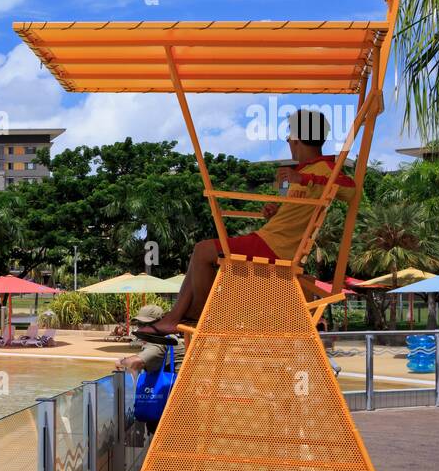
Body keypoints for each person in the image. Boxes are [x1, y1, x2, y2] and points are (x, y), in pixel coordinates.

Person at [150, 109, 358, 335]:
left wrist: (304, 179)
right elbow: (297, 213)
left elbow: (351, 190)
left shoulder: (323, 168)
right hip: (272, 240)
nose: (288, 140)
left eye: (289, 135)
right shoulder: (304, 171)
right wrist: (276, 211)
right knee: (200, 253)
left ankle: (198, 318)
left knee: (202, 251)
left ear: (296, 137)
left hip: (277, 247)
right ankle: (176, 318)